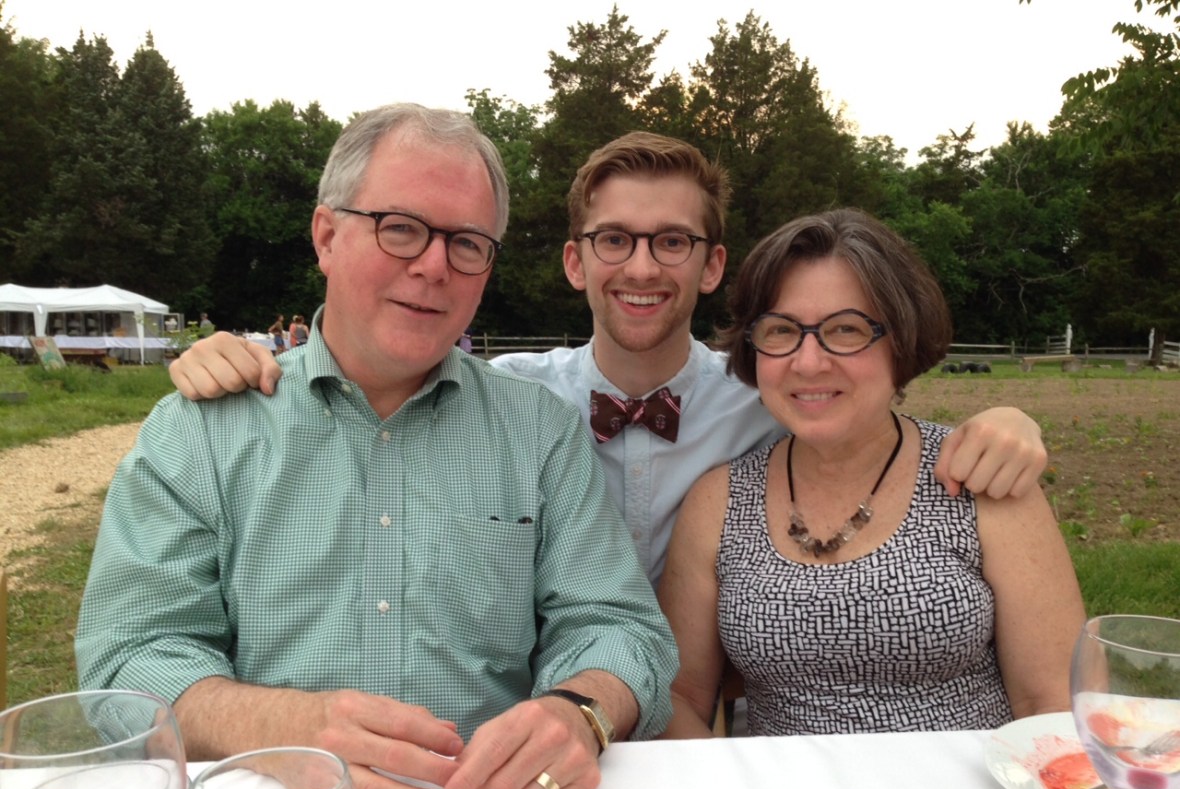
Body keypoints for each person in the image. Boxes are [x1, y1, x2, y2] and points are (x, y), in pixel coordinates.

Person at [75, 103, 678, 789]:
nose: (432, 265)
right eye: (400, 228)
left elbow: (617, 624)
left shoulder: (540, 431)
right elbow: (128, 655)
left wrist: (579, 710)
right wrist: (277, 730)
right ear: (327, 235)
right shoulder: (203, 431)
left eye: (467, 243)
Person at [168, 133, 1048, 592]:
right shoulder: (506, 397)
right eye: (614, 239)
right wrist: (245, 354)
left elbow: (871, 403)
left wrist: (1008, 424)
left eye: (671, 240)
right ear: (573, 260)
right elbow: (377, 373)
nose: (640, 266)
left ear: (710, 265)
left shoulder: (768, 399)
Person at [658, 208, 1086, 739]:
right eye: (781, 330)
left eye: (845, 329)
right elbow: (681, 695)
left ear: (901, 339)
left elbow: (1054, 701)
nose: (808, 362)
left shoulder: (978, 481)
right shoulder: (718, 501)